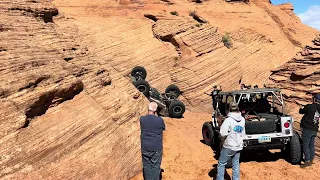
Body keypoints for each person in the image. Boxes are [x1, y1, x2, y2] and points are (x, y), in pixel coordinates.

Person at [216, 102, 246, 180]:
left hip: (229, 146)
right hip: (239, 146)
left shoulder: (228, 120)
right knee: (235, 164)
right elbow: (243, 134)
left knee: (221, 164)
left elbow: (223, 133)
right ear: (237, 109)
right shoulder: (242, 119)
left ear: (229, 109)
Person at [140, 102, 166, 179]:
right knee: (155, 166)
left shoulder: (142, 119)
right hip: (156, 147)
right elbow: (164, 128)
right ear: (156, 111)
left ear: (148, 109)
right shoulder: (160, 120)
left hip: (145, 146)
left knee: (147, 166)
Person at [299, 94, 320, 168]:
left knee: (305, 145)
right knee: (311, 145)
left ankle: (307, 160)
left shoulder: (309, 106)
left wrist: (302, 107)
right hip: (314, 129)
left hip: (307, 129)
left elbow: (301, 111)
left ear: (314, 99)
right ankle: (311, 159)